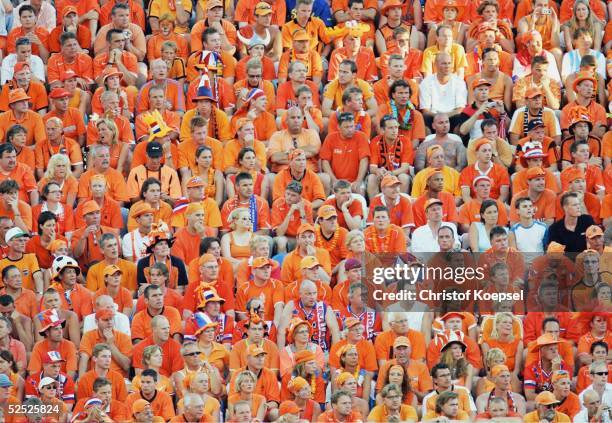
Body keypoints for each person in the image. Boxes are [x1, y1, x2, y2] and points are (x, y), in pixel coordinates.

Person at [419, 52, 467, 129]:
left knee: (460, 117)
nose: (447, 66)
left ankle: (457, 141)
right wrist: (439, 118)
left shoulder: (459, 82)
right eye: (444, 63)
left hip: (452, 115)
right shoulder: (426, 82)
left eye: (449, 63)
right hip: (433, 116)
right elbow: (425, 110)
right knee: (425, 117)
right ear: (436, 65)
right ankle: (428, 141)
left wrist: (445, 117)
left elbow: (460, 108)